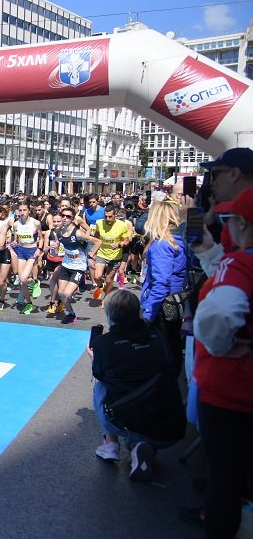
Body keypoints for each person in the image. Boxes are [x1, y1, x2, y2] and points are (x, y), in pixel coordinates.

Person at [191, 186, 253, 538]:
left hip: (232, 390)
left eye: (229, 219)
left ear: (242, 223)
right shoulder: (234, 258)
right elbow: (204, 251)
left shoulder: (241, 263)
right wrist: (197, 219)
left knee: (225, 481)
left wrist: (217, 345)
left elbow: (219, 312)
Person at [89, 290, 185, 482]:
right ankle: (140, 447)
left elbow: (99, 374)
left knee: (101, 387)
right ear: (138, 312)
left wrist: (94, 356)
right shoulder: (158, 335)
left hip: (131, 419)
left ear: (110, 315)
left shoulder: (104, 343)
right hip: (171, 426)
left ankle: (111, 444)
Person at [139, 198, 187, 359]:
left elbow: (161, 284)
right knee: (172, 349)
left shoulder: (163, 245)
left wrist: (148, 315)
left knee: (161, 354)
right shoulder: (180, 241)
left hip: (161, 306)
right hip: (176, 302)